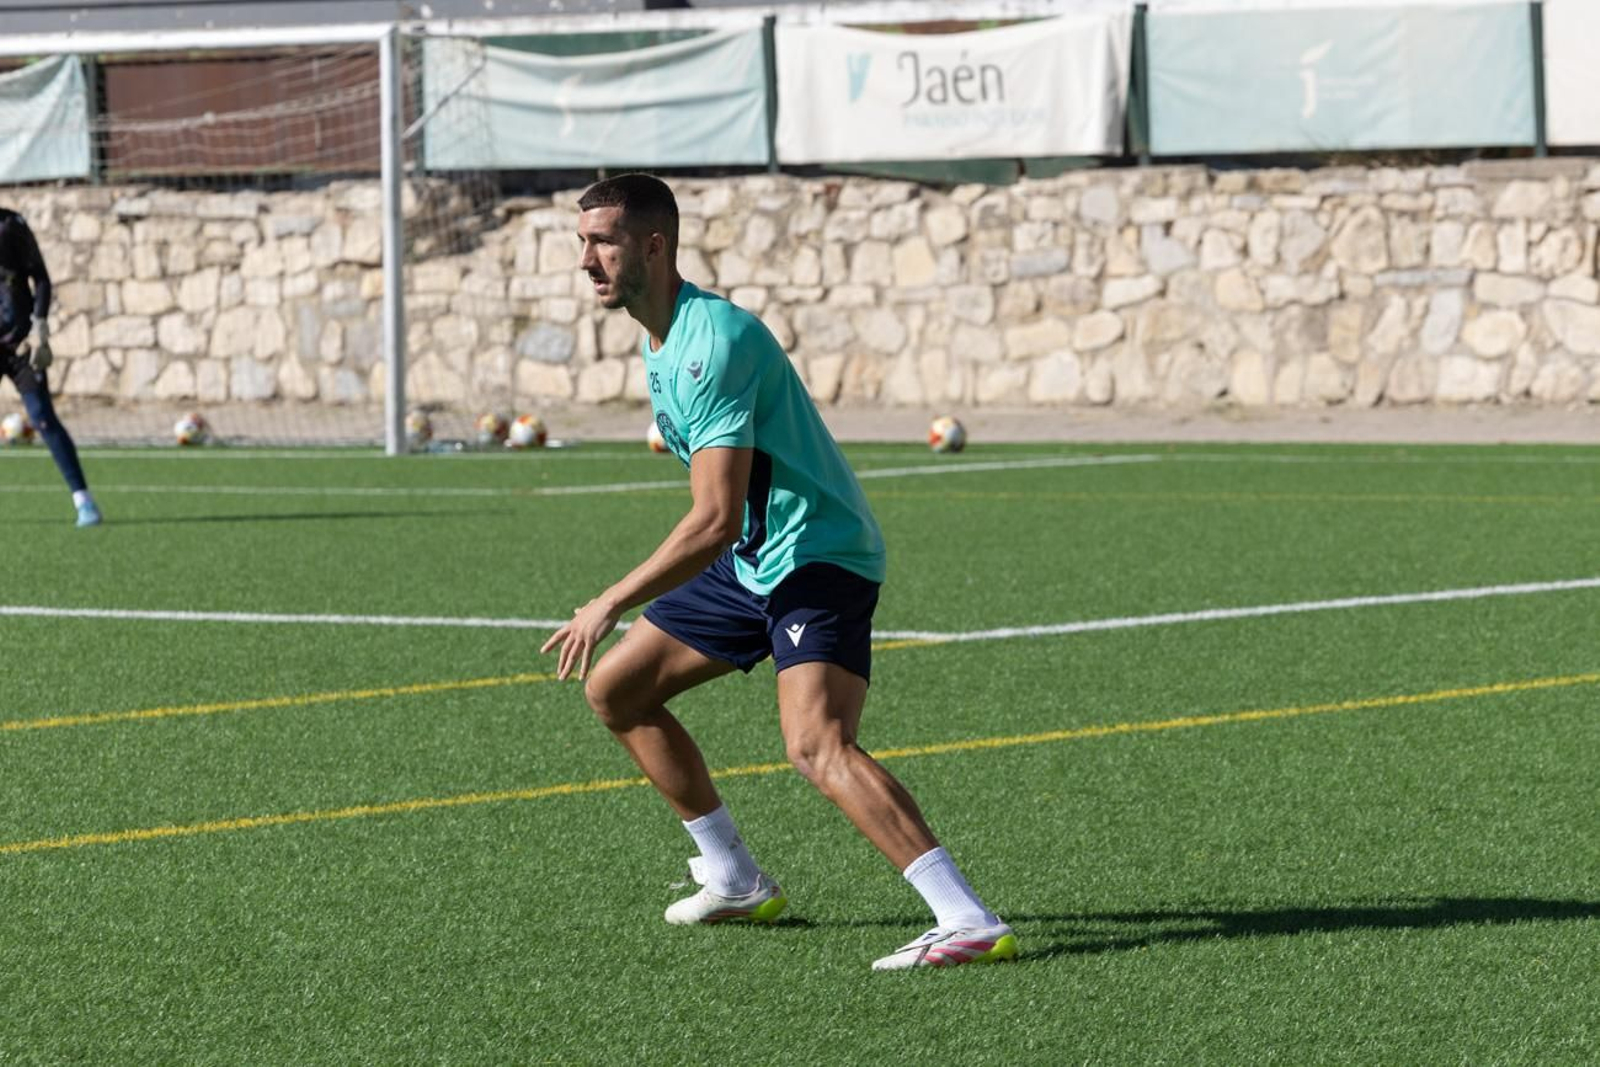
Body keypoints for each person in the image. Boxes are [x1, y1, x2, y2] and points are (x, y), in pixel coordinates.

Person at [540, 174, 1015, 971]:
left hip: (819, 554)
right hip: (758, 561)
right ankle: (734, 878)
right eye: (582, 241)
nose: (585, 260)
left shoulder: (714, 342)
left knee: (816, 743)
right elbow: (729, 525)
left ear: (653, 245)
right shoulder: (661, 343)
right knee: (617, 689)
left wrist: (609, 600)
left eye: (602, 242)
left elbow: (712, 519)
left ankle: (965, 916)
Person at [0, 208, 100, 527]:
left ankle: (84, 501)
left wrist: (39, 324)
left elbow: (40, 278)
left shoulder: (10, 226)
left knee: (42, 417)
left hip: (20, 346)